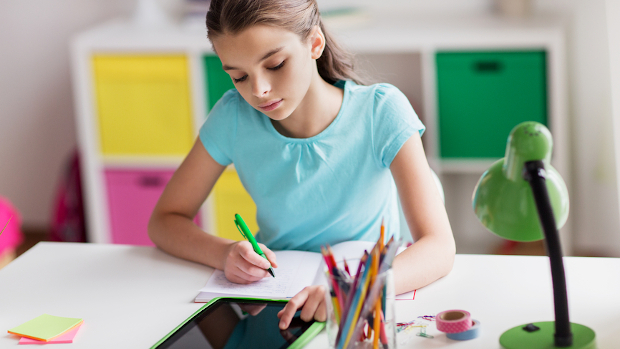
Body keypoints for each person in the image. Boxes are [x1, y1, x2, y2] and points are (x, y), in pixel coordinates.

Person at [148, 0, 455, 331]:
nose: (259, 90)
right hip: (280, 306)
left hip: (364, 309)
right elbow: (164, 220)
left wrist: (353, 290)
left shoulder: (381, 111)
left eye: (276, 64)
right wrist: (224, 253)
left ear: (314, 44)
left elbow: (438, 247)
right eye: (239, 76)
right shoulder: (233, 116)